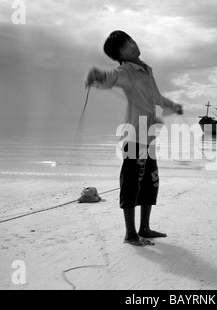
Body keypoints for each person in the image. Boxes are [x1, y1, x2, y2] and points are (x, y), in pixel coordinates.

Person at [85, 30, 183, 246]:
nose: (131, 45)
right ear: (120, 55)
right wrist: (99, 75)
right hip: (133, 138)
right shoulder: (127, 71)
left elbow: (156, 97)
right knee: (131, 184)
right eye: (125, 46)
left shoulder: (147, 71)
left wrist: (172, 105)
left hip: (148, 138)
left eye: (131, 40)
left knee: (150, 182)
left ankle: (144, 228)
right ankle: (130, 234)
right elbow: (113, 76)